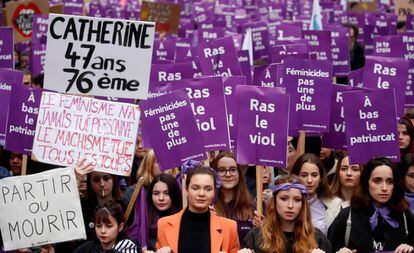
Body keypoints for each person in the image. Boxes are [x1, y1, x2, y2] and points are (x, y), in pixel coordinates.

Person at [328, 157, 414, 253]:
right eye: (377, 181)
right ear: (366, 182)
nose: (384, 188)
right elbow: (328, 248)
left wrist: (410, 248)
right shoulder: (347, 215)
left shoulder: (405, 216)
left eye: (390, 182)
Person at [156, 164, 240, 253]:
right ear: (186, 190)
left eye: (208, 189)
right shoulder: (164, 224)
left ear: (214, 193)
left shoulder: (229, 227)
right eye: (195, 188)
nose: (201, 193)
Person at [241, 175, 332, 253]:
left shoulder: (317, 239)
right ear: (275, 202)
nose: (290, 205)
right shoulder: (256, 237)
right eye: (284, 199)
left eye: (297, 200)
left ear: (303, 204)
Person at [290, 153, 341, 234]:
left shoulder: (333, 205)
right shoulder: (286, 203)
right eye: (304, 175)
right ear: (296, 176)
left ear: (320, 177)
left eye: (314, 175)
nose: (309, 180)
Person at [211, 151, 255, 243]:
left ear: (239, 173)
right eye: (222, 170)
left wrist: (260, 229)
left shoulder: (252, 206)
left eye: (233, 169)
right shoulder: (209, 206)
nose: (228, 174)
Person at [74, 202, 140, 253]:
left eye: (109, 226)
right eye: (98, 226)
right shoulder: (86, 248)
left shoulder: (128, 247)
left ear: (120, 227)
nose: (103, 231)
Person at [146, 174, 182, 251]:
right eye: (156, 193)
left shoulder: (184, 219)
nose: (161, 198)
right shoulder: (144, 220)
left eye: (167, 193)